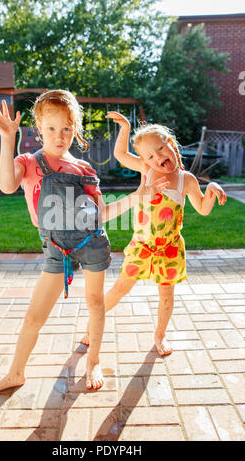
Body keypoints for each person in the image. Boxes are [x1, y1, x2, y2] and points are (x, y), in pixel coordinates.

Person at [0, 92, 169, 395]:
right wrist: (7, 138)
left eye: (67, 128)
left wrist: (137, 198)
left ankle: (93, 360)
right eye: (51, 128)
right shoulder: (29, 162)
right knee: (34, 316)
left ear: (76, 128)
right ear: (39, 127)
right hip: (57, 250)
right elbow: (6, 185)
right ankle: (15, 373)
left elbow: (100, 214)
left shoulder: (84, 169)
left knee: (96, 303)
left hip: (92, 242)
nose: (59, 136)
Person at [82, 111, 227, 357]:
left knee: (166, 296)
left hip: (169, 249)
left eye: (160, 148)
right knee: (119, 289)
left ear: (171, 144)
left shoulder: (186, 180)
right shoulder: (146, 171)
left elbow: (202, 209)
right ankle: (90, 329)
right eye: (149, 155)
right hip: (142, 246)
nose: (157, 156)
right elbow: (119, 154)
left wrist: (210, 189)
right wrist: (126, 128)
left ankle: (160, 336)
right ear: (144, 161)